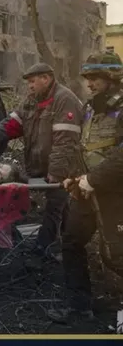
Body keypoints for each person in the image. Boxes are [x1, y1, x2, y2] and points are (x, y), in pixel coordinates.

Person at [0, 62, 84, 260]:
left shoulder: (64, 99)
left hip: (63, 165)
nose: (30, 86)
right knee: (62, 207)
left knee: (54, 206)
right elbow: (12, 123)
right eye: (28, 83)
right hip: (41, 163)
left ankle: (44, 248)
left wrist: (57, 173)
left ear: (47, 78)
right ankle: (71, 243)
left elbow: (65, 142)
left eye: (33, 81)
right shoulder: (32, 100)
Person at [47, 52, 123, 324]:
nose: (89, 84)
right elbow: (84, 148)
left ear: (112, 78)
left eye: (95, 78)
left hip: (116, 195)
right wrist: (74, 177)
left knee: (116, 255)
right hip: (87, 192)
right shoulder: (90, 109)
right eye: (88, 78)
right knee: (72, 242)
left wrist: (93, 179)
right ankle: (79, 307)